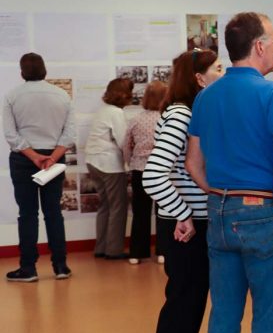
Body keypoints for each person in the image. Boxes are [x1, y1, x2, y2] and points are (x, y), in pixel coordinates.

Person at [185, 12, 273, 333]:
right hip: (264, 212)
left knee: (223, 317)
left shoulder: (206, 97)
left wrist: (218, 194)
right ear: (259, 47)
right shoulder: (272, 94)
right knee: (270, 320)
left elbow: (193, 163)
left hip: (219, 213)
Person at [144, 48, 223, 333]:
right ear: (199, 78)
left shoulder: (194, 111)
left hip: (192, 224)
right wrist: (184, 215)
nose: (225, 72)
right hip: (186, 228)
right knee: (182, 306)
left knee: (189, 306)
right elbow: (153, 174)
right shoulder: (181, 114)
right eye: (219, 67)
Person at [4, 52, 75, 282]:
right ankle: (61, 266)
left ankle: (28, 268)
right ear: (44, 69)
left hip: (24, 159)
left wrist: (34, 156)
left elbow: (11, 135)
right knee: (53, 212)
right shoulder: (62, 95)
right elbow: (69, 134)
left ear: (22, 71)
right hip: (53, 159)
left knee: (27, 214)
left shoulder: (12, 96)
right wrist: (52, 158)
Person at [86, 77, 134, 260]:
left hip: (93, 162)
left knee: (104, 205)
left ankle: (101, 247)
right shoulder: (116, 113)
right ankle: (113, 250)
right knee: (118, 206)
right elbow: (123, 142)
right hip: (109, 165)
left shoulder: (102, 110)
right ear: (124, 95)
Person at [124, 80, 168, 265]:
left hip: (140, 170)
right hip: (163, 171)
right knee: (163, 212)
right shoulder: (166, 118)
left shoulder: (136, 119)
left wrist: (131, 162)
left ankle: (136, 253)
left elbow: (126, 146)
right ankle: (162, 251)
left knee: (140, 212)